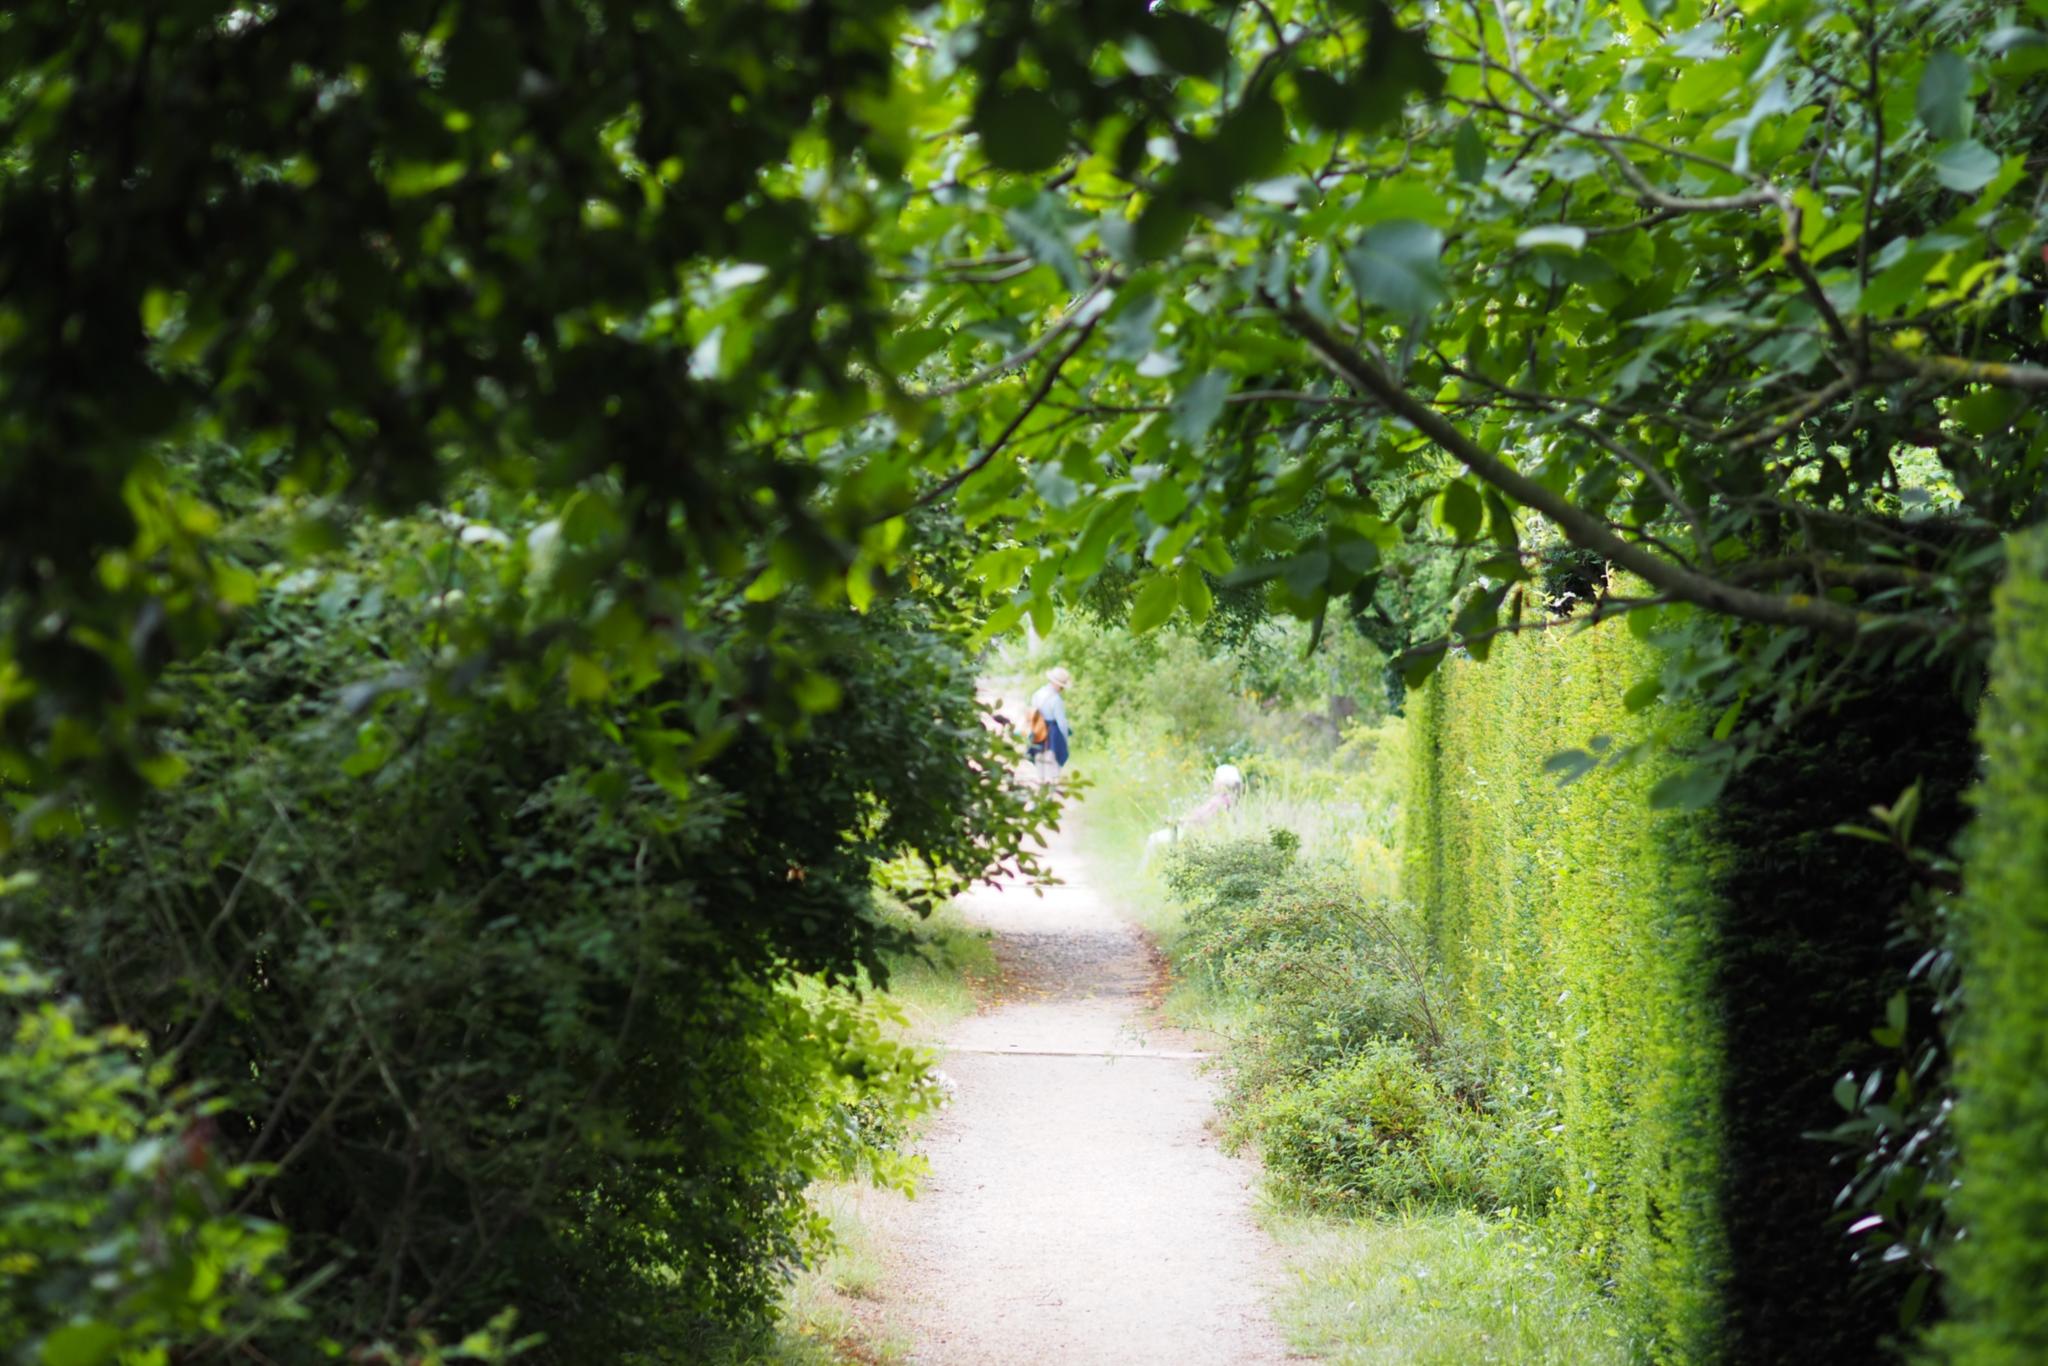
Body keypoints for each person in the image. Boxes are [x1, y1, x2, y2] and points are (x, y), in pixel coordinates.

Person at [1026, 667, 1074, 785]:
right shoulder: (1056, 699)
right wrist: (1065, 739)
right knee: (1052, 761)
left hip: (1038, 730)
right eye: (1061, 686)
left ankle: (1041, 784)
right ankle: (1051, 788)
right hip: (1052, 732)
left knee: (1039, 759)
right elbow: (1061, 722)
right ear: (1057, 684)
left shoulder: (1037, 693)